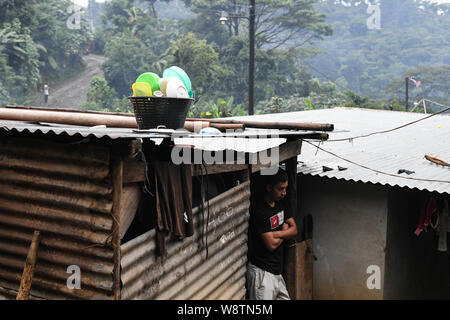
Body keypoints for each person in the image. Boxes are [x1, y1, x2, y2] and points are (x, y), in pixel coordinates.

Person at [246, 168, 298, 300]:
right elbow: (271, 244)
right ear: (269, 187)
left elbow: (294, 229)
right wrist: (285, 230)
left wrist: (277, 233)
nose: (284, 193)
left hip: (276, 273)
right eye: (280, 189)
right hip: (262, 274)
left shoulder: (281, 203)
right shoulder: (259, 209)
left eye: (285, 188)